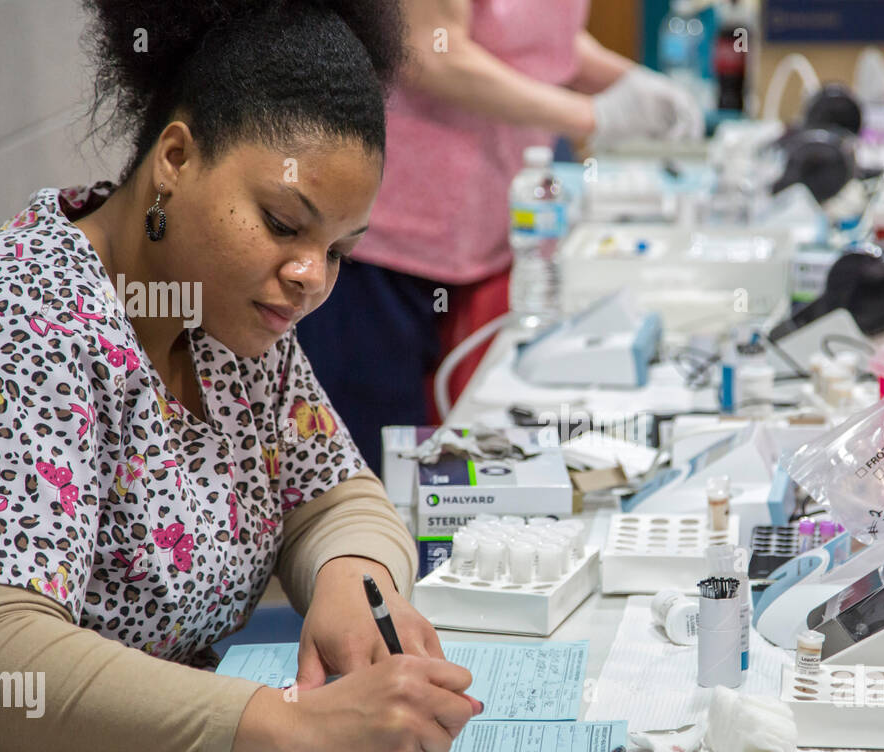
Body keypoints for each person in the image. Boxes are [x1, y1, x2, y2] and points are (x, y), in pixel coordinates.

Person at [0, 0, 480, 752]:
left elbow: (335, 493)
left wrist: (355, 578)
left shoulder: (225, 318)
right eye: (283, 223)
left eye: (340, 248)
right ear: (177, 159)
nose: (310, 278)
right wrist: (292, 726)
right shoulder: (22, 321)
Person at [297, 0, 704, 467]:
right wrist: (592, 116)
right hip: (391, 240)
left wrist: (628, 81)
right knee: (373, 461)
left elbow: (535, 40)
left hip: (489, 234)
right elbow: (430, 50)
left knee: (469, 447)